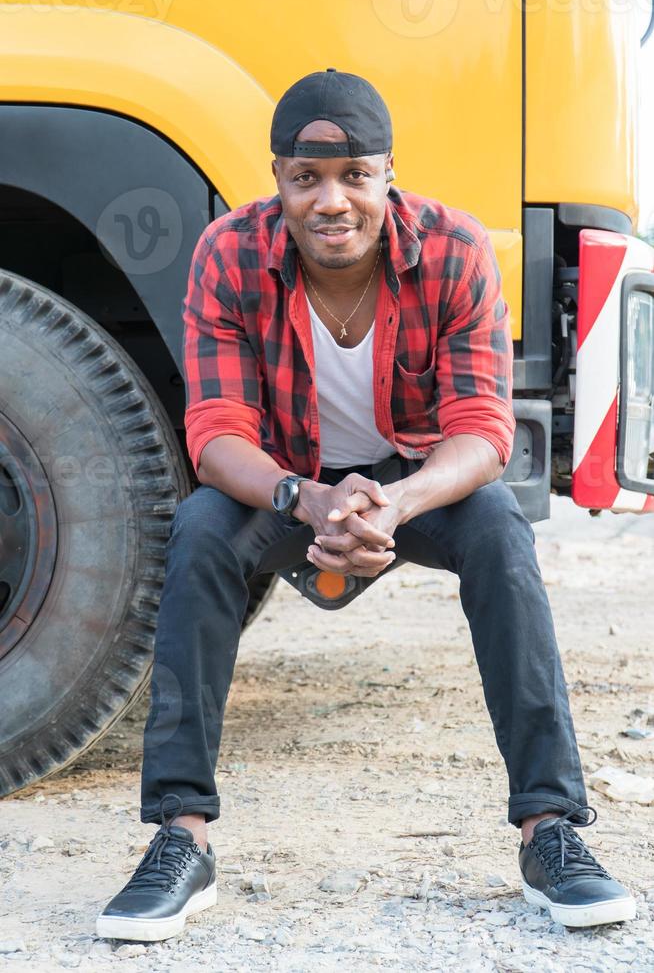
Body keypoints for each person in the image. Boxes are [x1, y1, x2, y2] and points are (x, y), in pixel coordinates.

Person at [97, 69, 635, 941]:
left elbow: (482, 427)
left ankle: (552, 831)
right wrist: (302, 498)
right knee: (201, 526)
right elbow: (216, 431)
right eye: (306, 179)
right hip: (290, 479)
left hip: (410, 478)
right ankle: (180, 837)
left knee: (498, 525)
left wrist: (395, 501)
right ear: (278, 179)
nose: (331, 200)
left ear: (390, 172)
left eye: (355, 174)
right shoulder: (229, 253)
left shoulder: (454, 248)